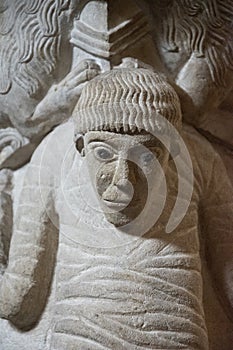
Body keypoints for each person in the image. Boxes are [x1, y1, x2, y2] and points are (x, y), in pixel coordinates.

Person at [0, 68, 232, 350]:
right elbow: (18, 304)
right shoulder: (198, 154)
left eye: (146, 156)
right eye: (104, 154)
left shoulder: (52, 153)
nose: (124, 181)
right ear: (81, 146)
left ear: (170, 154)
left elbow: (16, 300)